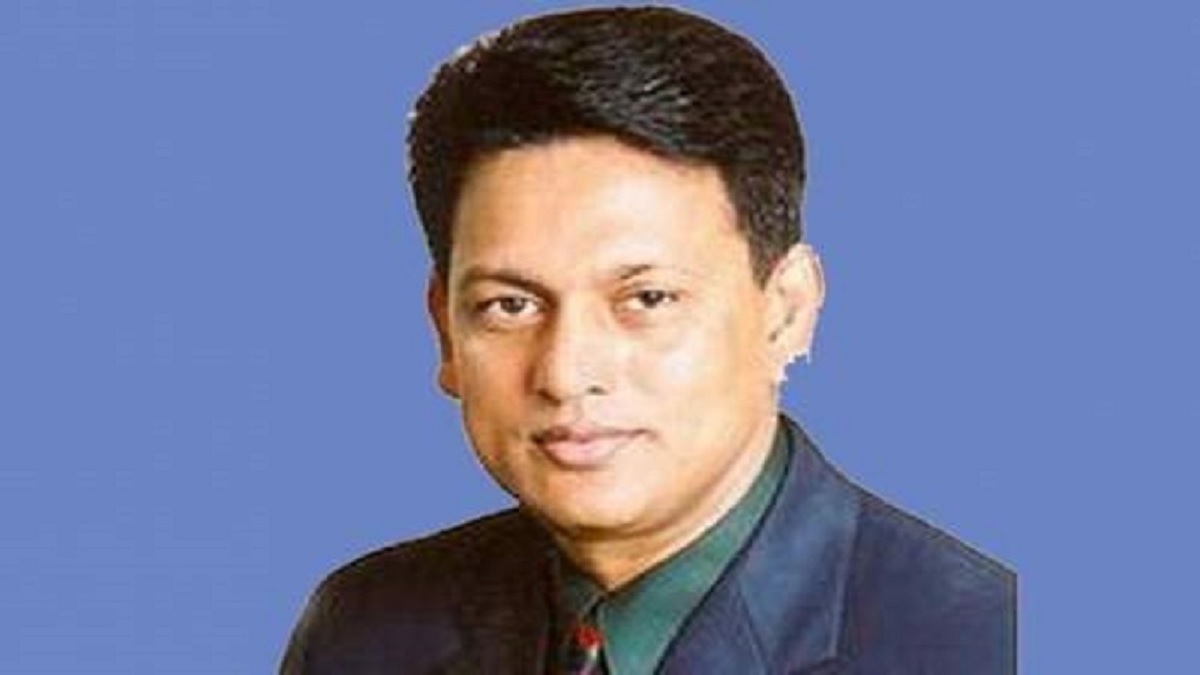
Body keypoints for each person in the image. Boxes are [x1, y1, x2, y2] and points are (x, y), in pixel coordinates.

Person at [280, 6, 1015, 674]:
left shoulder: (984, 642)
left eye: (647, 298)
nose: (566, 372)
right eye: (510, 305)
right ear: (445, 329)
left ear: (787, 310)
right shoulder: (364, 630)